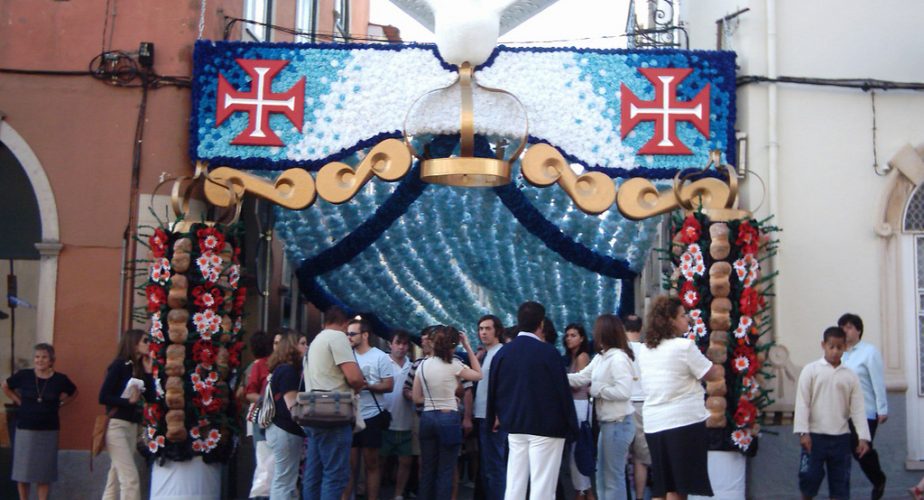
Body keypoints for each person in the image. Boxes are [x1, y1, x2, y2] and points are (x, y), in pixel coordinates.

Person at [487, 301, 578, 500]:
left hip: (515, 425)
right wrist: (572, 425)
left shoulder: (502, 353)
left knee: (514, 485)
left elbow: (493, 390)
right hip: (547, 428)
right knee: (543, 488)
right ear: (541, 323)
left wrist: (494, 418)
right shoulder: (548, 353)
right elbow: (562, 392)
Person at [638, 296, 722, 500]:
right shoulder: (684, 347)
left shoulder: (645, 350)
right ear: (670, 320)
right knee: (679, 485)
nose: (687, 320)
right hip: (683, 422)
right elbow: (711, 373)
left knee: (662, 485)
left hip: (654, 423)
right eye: (683, 315)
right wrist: (718, 365)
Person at [794, 326, 871, 500]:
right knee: (809, 479)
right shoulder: (811, 370)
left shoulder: (850, 376)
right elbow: (802, 403)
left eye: (839, 347)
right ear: (823, 345)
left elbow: (858, 408)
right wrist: (803, 432)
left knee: (840, 483)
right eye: (831, 347)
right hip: (814, 437)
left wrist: (863, 437)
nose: (835, 351)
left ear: (845, 347)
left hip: (841, 438)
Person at [568, 315, 636, 500]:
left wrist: (597, 390)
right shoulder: (602, 357)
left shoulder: (618, 358)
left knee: (612, 478)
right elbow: (581, 377)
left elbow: (624, 391)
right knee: (602, 477)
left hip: (618, 424)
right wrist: (556, 374)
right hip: (608, 425)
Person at [302, 306, 366, 500]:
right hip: (334, 412)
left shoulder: (315, 342)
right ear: (345, 323)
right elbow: (354, 377)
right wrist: (359, 385)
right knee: (335, 475)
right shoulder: (337, 338)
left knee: (313, 474)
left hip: (313, 412)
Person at [412, 325, 482, 500]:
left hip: (427, 417)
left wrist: (433, 401)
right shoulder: (455, 365)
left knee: (427, 469)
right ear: (453, 345)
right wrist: (467, 346)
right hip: (448, 417)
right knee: (446, 470)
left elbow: (415, 397)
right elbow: (478, 375)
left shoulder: (422, 365)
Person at [2, 343, 78, 500]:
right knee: (23, 471)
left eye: (44, 357)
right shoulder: (24, 375)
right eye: (37, 357)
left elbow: (74, 392)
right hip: (25, 428)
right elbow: (5, 386)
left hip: (48, 430)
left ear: (51, 360)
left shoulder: (60, 379)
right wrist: (18, 400)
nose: (40, 360)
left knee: (44, 472)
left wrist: (62, 403)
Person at [98, 329, 156, 500]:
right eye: (145, 341)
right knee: (130, 479)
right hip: (116, 426)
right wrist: (127, 402)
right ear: (134, 342)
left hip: (131, 426)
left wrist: (147, 372)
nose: (148, 344)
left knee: (115, 478)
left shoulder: (137, 368)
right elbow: (103, 396)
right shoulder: (118, 365)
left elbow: (151, 397)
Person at [838, 313, 888, 499]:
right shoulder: (840, 353)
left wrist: (882, 409)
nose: (845, 330)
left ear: (858, 330)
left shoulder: (869, 352)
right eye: (843, 327)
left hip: (866, 410)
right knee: (849, 450)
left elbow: (877, 381)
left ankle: (878, 479)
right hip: (844, 413)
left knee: (860, 448)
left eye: (849, 327)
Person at [344, 317, 394, 500]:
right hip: (350, 415)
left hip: (372, 414)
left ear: (365, 335)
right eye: (347, 334)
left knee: (371, 464)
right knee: (349, 466)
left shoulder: (380, 356)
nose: (348, 337)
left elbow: (389, 385)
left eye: (352, 334)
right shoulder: (346, 356)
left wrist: (367, 386)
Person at [266, 330, 308, 499]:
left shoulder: (281, 369)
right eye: (303, 343)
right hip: (286, 429)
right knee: (285, 480)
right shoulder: (289, 371)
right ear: (292, 346)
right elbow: (292, 405)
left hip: (280, 428)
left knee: (283, 477)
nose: (306, 347)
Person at [473, 314, 507, 500]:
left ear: (497, 331)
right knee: (488, 466)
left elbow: (504, 387)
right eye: (481, 329)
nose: (483, 332)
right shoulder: (487, 354)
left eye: (488, 328)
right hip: (482, 414)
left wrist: (499, 415)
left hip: (492, 417)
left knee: (495, 466)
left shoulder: (501, 352)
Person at [382, 329, 415, 500]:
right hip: (384, 421)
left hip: (406, 421)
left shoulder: (413, 366)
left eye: (404, 344)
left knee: (405, 461)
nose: (401, 348)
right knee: (379, 461)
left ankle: (398, 494)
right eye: (398, 343)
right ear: (390, 344)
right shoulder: (382, 362)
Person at [563, 323, 594, 500]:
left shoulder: (582, 357)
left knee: (578, 450)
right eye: (567, 335)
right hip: (575, 406)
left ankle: (581, 491)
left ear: (582, 338)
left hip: (580, 406)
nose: (569, 338)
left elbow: (579, 384)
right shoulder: (573, 358)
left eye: (573, 335)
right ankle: (585, 491)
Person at [244, 331, 275, 500]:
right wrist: (269, 401)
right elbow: (250, 393)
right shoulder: (259, 366)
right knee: (264, 461)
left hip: (279, 420)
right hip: (263, 418)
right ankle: (260, 495)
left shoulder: (283, 365)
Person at [624, 313, 651, 500]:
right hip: (643, 404)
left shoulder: (616, 351)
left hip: (622, 405)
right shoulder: (648, 350)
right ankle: (640, 497)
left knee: (619, 458)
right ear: (641, 329)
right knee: (641, 457)